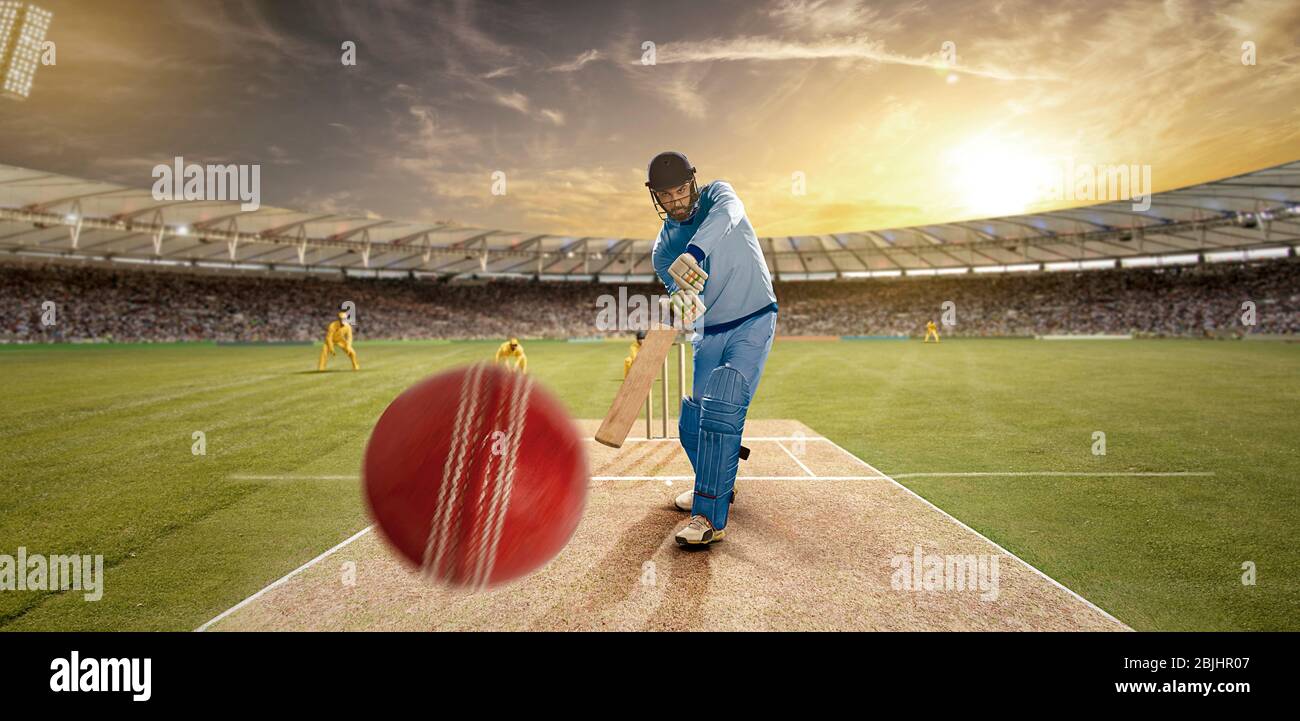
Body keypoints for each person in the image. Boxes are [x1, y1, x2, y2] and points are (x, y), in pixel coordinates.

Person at [647, 151, 777, 546]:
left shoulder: (720, 195)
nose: (674, 201)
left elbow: (728, 217)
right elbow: (684, 294)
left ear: (694, 182)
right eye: (664, 195)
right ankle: (717, 483)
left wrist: (695, 253)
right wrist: (684, 299)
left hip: (754, 317)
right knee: (695, 421)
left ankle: (708, 517)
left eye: (680, 189)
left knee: (722, 408)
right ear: (655, 197)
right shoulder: (662, 249)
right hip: (708, 331)